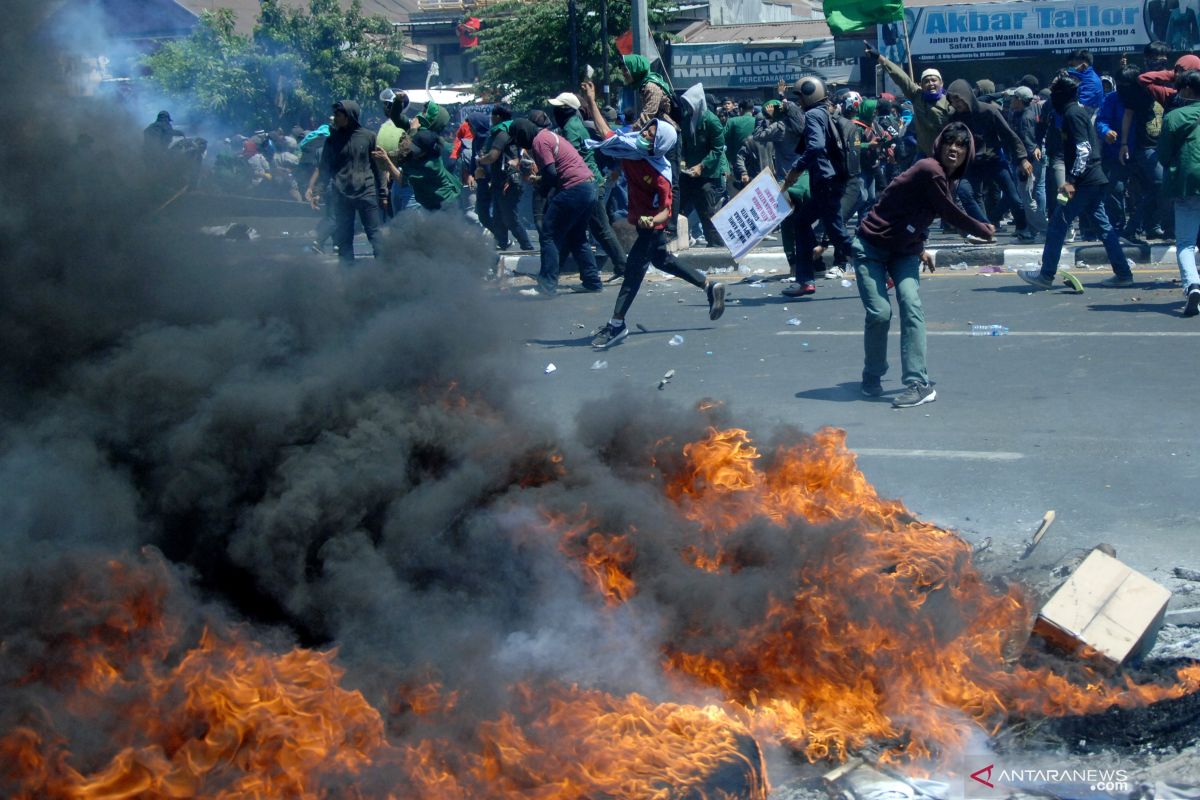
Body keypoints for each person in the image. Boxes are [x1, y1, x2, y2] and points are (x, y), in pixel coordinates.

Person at [853, 122, 995, 408]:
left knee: (911, 305)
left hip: (905, 252)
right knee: (880, 313)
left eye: (961, 145)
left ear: (968, 153)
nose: (954, 148)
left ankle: (917, 383)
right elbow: (948, 212)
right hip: (871, 248)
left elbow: (919, 215)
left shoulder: (948, 179)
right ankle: (873, 374)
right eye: (949, 143)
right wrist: (983, 228)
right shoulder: (929, 169)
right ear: (939, 145)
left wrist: (919, 248)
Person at [579, 82, 725, 349]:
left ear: (659, 145)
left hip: (651, 227)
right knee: (664, 260)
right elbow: (607, 134)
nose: (646, 132)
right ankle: (709, 285)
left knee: (633, 272)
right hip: (644, 222)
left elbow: (665, 213)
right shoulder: (632, 148)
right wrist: (590, 99)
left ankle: (616, 324)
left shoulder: (660, 176)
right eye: (648, 129)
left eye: (652, 133)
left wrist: (649, 222)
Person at [1018, 76, 1135, 290]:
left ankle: (1046, 275)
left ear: (1061, 96)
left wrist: (1071, 180)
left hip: (1083, 181)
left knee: (1057, 224)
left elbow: (1083, 150)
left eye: (1054, 95)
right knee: (1103, 226)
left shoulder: (1072, 115)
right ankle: (1124, 273)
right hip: (1093, 179)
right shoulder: (1074, 113)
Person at [510, 118, 603, 296]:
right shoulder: (549, 135)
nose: (518, 143)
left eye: (517, 138)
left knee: (549, 235)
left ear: (522, 133)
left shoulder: (539, 141)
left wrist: (541, 187)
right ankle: (592, 281)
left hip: (574, 188)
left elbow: (551, 174)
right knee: (577, 237)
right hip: (589, 187)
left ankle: (547, 285)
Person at [781, 76, 855, 298]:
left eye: (800, 97)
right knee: (802, 222)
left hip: (825, 182)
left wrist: (795, 169)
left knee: (838, 234)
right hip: (832, 180)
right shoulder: (826, 112)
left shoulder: (813, 115)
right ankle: (805, 280)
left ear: (809, 94)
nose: (799, 102)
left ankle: (882, 268)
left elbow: (815, 147)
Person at [944, 79, 1035, 239]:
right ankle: (986, 228)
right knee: (964, 192)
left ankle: (1023, 228)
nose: (957, 103)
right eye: (953, 100)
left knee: (1013, 198)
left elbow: (1009, 135)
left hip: (994, 161)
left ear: (968, 96)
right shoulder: (954, 118)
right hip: (971, 164)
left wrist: (1022, 158)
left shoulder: (989, 111)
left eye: (959, 99)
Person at [549, 91, 627, 277]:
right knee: (585, 230)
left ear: (566, 109)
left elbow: (570, 157)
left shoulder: (570, 127)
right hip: (590, 181)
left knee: (598, 229)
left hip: (586, 182)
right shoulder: (574, 124)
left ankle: (622, 266)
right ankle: (556, 272)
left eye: (558, 108)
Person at [305, 100, 385, 263]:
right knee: (344, 238)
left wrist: (383, 192)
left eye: (338, 115)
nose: (334, 118)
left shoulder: (368, 136)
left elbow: (378, 166)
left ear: (349, 116)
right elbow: (325, 168)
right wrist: (318, 192)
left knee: (375, 235)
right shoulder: (332, 141)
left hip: (366, 192)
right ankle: (347, 276)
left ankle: (384, 270)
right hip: (341, 194)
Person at [1156, 68, 1200, 316]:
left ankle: (1192, 285)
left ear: (1186, 90)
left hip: (1186, 185)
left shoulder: (1174, 116)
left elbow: (1163, 154)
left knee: (1185, 243)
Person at [864, 46, 953, 158]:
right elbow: (901, 77)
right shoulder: (917, 96)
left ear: (941, 83)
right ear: (921, 85)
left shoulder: (949, 103)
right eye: (926, 81)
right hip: (923, 155)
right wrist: (879, 58)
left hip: (944, 156)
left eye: (934, 80)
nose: (930, 83)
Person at [677, 84, 728, 248]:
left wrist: (702, 165)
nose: (687, 108)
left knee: (706, 210)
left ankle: (716, 245)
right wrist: (683, 161)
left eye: (689, 104)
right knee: (677, 203)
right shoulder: (686, 120)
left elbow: (718, 149)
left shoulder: (712, 121)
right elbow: (684, 144)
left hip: (707, 174)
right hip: (689, 172)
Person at [373, 130, 461, 212]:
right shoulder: (425, 148)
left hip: (444, 203)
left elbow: (402, 182)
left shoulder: (429, 166)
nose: (412, 150)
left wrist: (387, 161)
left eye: (416, 149)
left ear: (426, 151)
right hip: (430, 202)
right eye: (412, 146)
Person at [621, 55, 673, 128]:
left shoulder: (651, 86)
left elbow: (648, 114)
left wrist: (631, 130)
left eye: (625, 70)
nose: (623, 74)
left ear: (635, 69)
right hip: (657, 129)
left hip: (667, 131)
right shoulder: (644, 86)